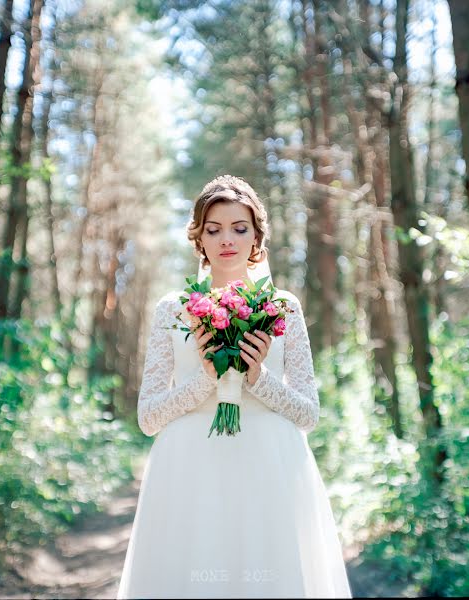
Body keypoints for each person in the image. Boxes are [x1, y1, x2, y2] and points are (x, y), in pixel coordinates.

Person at [116, 175, 352, 599]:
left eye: (239, 228)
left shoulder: (284, 307)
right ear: (199, 238)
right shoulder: (174, 309)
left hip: (270, 465)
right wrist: (206, 376)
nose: (227, 239)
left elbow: (308, 414)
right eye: (214, 229)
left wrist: (258, 377)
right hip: (189, 468)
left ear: (256, 235)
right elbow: (149, 418)